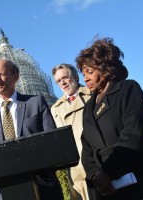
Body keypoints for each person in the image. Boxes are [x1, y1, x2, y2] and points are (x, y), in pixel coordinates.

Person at [0, 58, 64, 200]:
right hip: (3, 191)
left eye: (1, 75)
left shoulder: (36, 103)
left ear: (15, 76)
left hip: (40, 187)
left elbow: (52, 144)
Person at [75, 37, 143, 199]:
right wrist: (97, 176)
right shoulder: (88, 108)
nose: (85, 78)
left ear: (105, 68)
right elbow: (87, 148)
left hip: (136, 180)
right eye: (83, 74)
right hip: (106, 189)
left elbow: (134, 135)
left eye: (90, 71)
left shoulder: (128, 89)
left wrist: (109, 172)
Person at [51, 63, 95, 200]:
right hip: (75, 171)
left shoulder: (92, 95)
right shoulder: (55, 109)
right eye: (58, 81)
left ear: (75, 76)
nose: (62, 83)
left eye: (65, 78)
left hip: (96, 164)